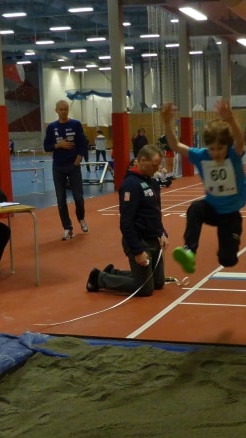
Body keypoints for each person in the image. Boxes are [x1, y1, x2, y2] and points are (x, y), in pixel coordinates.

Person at [161, 100, 246, 274]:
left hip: (231, 214)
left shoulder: (233, 155)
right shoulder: (202, 156)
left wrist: (231, 120)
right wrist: (167, 122)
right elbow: (176, 145)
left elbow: (240, 140)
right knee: (195, 208)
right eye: (212, 149)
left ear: (227, 146)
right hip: (212, 209)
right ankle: (189, 250)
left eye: (220, 149)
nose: (216, 153)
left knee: (227, 260)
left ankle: (228, 247)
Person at [86, 145, 168, 296]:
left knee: (158, 283)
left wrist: (162, 233)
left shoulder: (153, 183)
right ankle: (99, 278)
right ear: (142, 160)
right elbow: (126, 223)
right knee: (145, 289)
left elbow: (156, 213)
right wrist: (138, 250)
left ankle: (113, 272)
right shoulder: (131, 185)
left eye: (158, 166)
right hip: (138, 240)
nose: (157, 169)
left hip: (153, 239)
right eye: (154, 165)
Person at [43, 99, 89, 240]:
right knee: (61, 199)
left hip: (73, 165)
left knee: (78, 197)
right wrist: (59, 145)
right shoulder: (52, 127)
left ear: (68, 110)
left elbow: (83, 143)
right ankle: (67, 228)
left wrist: (79, 158)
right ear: (56, 110)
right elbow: (46, 146)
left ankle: (81, 218)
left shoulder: (76, 124)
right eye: (61, 109)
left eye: (66, 109)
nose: (63, 112)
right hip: (58, 167)